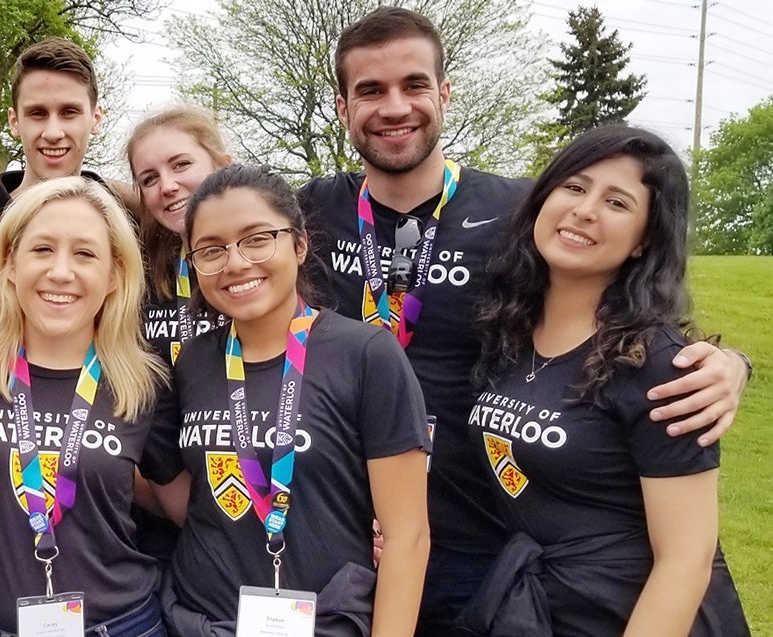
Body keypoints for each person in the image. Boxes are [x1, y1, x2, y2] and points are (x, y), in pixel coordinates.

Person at [299, 8, 752, 632]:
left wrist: (729, 365)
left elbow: (627, 305)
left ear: (444, 94)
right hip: (347, 532)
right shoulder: (307, 215)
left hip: (486, 547)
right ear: (344, 108)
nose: (395, 106)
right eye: (370, 90)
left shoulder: (525, 213)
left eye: (414, 85)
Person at [461, 126, 748, 635]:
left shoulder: (661, 367)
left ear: (644, 242)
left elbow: (686, 560)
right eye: (574, 186)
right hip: (546, 609)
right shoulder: (509, 333)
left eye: (617, 202)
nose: (586, 209)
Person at [154, 164, 429, 637]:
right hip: (199, 620)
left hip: (324, 621)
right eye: (212, 249)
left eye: (257, 238)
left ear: (299, 245)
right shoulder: (193, 361)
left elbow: (407, 536)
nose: (236, 263)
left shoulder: (366, 354)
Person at [0, 176, 177, 636]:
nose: (61, 271)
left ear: (114, 275)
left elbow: (191, 509)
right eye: (42, 249)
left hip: (120, 624)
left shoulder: (144, 383)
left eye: (85, 254)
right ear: (10, 263)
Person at [0, 37, 107, 306]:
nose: (53, 133)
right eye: (38, 113)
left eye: (69, 112)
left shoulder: (129, 232)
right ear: (14, 122)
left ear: (95, 118)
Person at [125, 104, 234, 364]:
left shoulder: (267, 259)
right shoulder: (140, 276)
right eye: (149, 179)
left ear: (222, 165)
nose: (167, 186)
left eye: (181, 164)